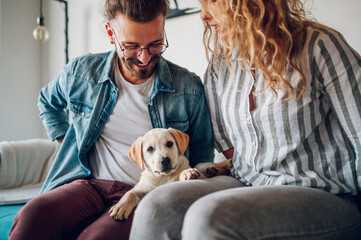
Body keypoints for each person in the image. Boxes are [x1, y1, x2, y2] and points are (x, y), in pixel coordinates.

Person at [130, 0, 361, 239]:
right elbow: (222, 135)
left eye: (213, 2)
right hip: (246, 180)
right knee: (157, 206)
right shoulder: (222, 60)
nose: (204, 15)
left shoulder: (319, 46)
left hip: (317, 190)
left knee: (209, 218)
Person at [9, 0, 214, 239]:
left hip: (145, 192)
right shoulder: (81, 73)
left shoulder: (188, 88)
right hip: (88, 184)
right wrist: (64, 140)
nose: (145, 57)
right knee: (32, 215)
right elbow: (47, 101)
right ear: (110, 33)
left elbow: (201, 157)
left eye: (155, 44)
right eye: (131, 46)